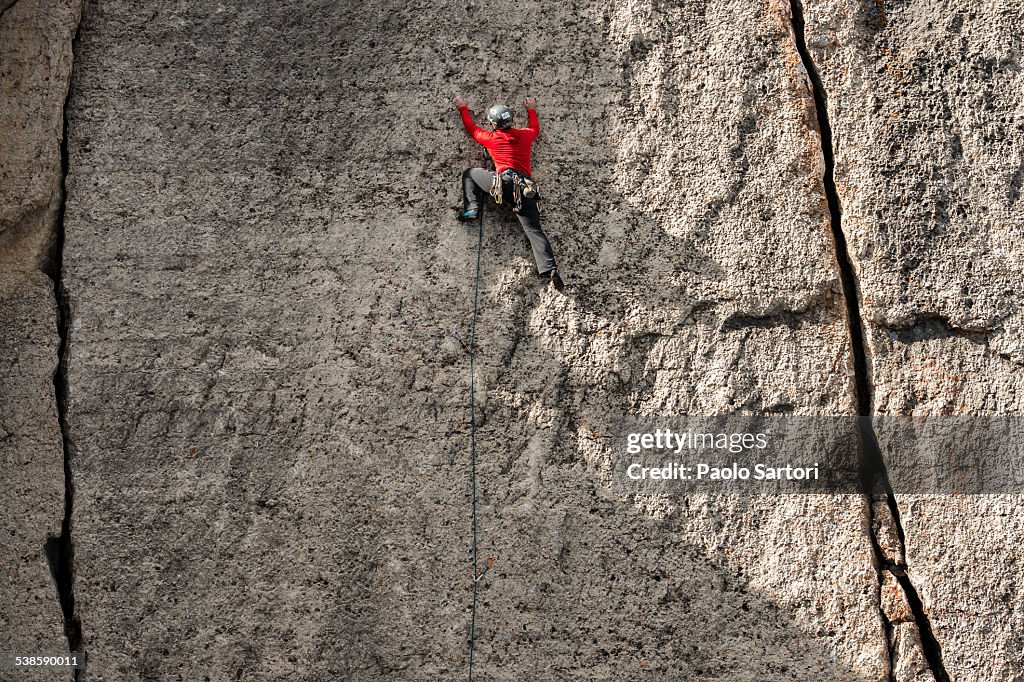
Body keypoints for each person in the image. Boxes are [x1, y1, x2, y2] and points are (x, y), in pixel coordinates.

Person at [453, 95, 564, 291]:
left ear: (494, 124)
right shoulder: (525, 135)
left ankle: (472, 208)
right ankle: (550, 268)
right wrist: (531, 108)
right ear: (511, 120)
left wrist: (463, 108)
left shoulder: (491, 138)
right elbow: (535, 129)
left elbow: (472, 129)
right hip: (526, 189)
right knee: (534, 230)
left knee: (469, 174)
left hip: (503, 183)